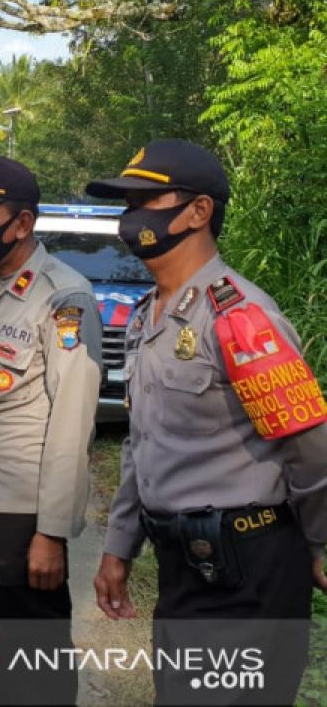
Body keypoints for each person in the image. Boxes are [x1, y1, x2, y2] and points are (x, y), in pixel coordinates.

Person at [89, 139, 327, 705]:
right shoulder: (148, 316)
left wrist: (322, 541)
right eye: (126, 205)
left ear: (198, 211)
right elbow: (141, 444)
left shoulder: (240, 316)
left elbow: (310, 446)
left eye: (146, 200)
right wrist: (119, 545)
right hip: (182, 569)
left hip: (247, 572)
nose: (131, 219)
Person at [0, 156, 102, 705]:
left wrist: (51, 533)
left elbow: (71, 422)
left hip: (23, 513)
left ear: (23, 224)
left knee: (35, 667)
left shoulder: (63, 298)